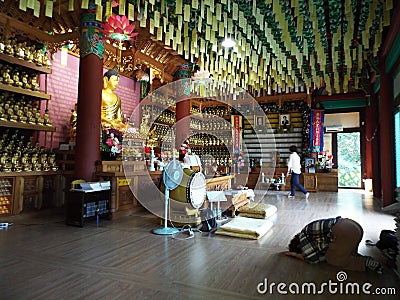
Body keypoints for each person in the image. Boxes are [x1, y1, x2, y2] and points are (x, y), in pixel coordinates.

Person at [285, 216, 383, 274]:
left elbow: (312, 259)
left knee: (333, 259)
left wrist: (296, 255)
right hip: (352, 226)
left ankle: (365, 262)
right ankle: (369, 263)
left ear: (299, 246)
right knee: (347, 254)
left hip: (344, 232)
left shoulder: (304, 237)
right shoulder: (308, 231)